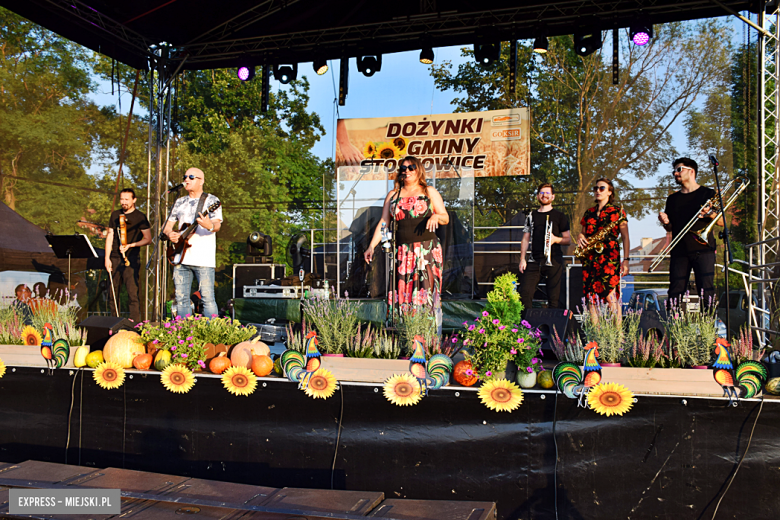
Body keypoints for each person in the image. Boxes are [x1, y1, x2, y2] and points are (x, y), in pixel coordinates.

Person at [363, 156, 449, 328]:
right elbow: (384, 222)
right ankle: (404, 334)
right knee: (403, 292)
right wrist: (371, 246)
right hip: (402, 251)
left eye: (411, 167)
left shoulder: (429, 192)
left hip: (426, 250)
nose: (407, 171)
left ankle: (427, 337)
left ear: (419, 170)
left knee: (425, 292)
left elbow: (445, 217)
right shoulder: (393, 195)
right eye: (404, 168)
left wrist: (436, 216)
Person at [658, 157, 723, 308]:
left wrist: (709, 214)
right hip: (679, 251)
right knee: (675, 292)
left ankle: (707, 328)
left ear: (691, 171)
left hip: (704, 249)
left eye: (679, 169)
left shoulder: (708, 193)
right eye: (674, 170)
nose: (675, 173)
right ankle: (674, 328)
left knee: (706, 291)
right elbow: (670, 228)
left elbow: (721, 221)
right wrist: (666, 222)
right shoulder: (672, 199)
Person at [163, 167, 222, 318]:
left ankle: (212, 335)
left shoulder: (211, 201)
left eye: (191, 177)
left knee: (208, 299)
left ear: (201, 181)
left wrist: (209, 225)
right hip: (181, 256)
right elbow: (167, 227)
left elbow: (217, 225)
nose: (186, 180)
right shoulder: (179, 202)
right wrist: (171, 234)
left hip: (203, 258)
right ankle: (185, 335)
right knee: (181, 299)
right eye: (185, 177)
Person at [576, 178, 630, 313]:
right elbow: (583, 233)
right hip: (590, 256)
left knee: (610, 295)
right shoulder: (589, 212)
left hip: (609, 255)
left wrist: (627, 260)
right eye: (596, 188)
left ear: (610, 192)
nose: (597, 191)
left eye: (602, 188)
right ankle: (596, 333)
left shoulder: (618, 211)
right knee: (591, 297)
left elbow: (625, 237)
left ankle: (617, 334)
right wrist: (580, 237)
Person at [519, 183, 571, 312]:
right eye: (542, 193)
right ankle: (527, 326)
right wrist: (522, 259)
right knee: (525, 293)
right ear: (537, 196)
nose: (544, 195)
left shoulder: (560, 216)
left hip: (554, 260)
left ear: (553, 197)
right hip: (534, 260)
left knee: (554, 298)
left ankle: (552, 329)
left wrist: (555, 239)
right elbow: (525, 238)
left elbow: (568, 239)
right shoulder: (531, 216)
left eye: (547, 193)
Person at [105, 189, 152, 322]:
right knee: (112, 293)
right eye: (122, 199)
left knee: (132, 293)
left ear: (134, 200)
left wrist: (131, 245)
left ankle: (135, 324)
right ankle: (113, 322)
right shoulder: (115, 215)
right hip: (114, 256)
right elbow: (110, 236)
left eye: (126, 199)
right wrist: (107, 258)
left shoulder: (140, 217)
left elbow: (148, 239)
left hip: (131, 258)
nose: (123, 202)